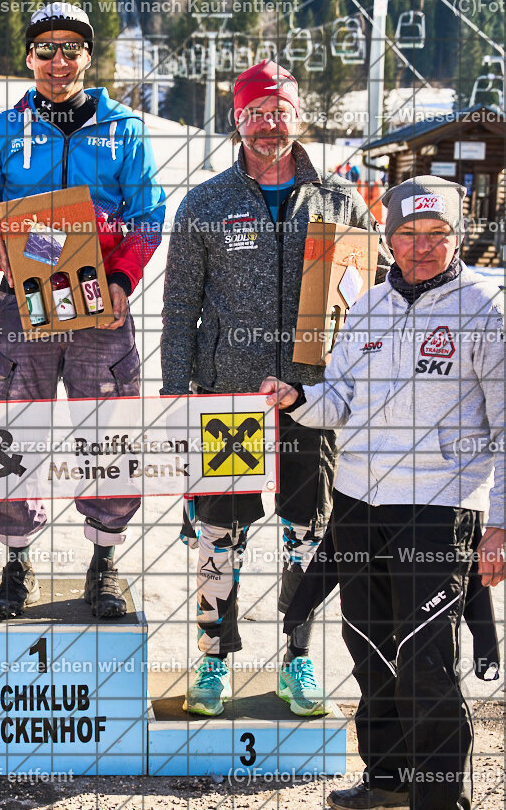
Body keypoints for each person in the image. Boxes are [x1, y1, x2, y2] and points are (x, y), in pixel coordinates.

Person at [262, 175, 506, 810]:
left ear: (458, 237)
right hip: (357, 504)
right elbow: (341, 401)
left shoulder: (483, 308)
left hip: (439, 508)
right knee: (369, 650)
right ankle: (387, 780)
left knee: (426, 661)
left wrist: (503, 524)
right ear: (388, 238)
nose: (422, 247)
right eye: (408, 234)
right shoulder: (367, 306)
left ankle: (439, 798)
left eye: (437, 234)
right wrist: (298, 399)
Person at [161, 60, 388, 718]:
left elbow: (370, 304)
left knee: (307, 534)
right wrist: (176, 396)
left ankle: (297, 655)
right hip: (227, 401)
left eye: (280, 111)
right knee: (218, 534)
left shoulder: (341, 202)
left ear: (299, 117)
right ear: (237, 119)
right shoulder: (205, 203)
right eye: (256, 112)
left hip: (311, 398)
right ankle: (213, 658)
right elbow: (179, 311)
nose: (269, 124)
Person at [0, 2, 166, 620]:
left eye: (70, 49)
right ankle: (15, 560)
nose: (58, 61)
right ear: (29, 57)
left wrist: (124, 279)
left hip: (100, 307)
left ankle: (104, 561)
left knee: (108, 434)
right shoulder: (2, 130)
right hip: (22, 307)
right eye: (46, 49)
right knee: (14, 432)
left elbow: (146, 215)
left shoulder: (124, 129)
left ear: (87, 57)